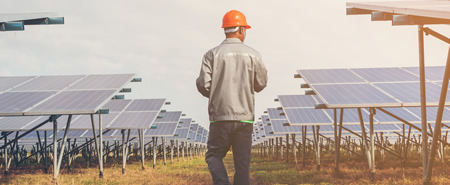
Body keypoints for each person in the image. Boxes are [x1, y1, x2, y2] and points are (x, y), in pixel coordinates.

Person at [196, 10, 268, 185]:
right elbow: (261, 84)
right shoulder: (254, 54)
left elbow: (204, 85)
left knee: (214, 155)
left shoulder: (211, 54)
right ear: (242, 29)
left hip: (220, 117)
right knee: (242, 164)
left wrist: (216, 93)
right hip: (244, 119)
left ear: (225, 30)